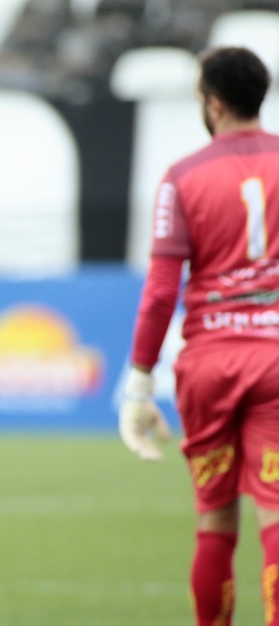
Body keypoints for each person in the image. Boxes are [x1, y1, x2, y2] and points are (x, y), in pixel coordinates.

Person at [118, 46, 279, 626]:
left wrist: (138, 385)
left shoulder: (182, 178)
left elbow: (162, 292)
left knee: (215, 522)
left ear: (211, 101)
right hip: (276, 362)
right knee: (277, 521)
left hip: (209, 364)